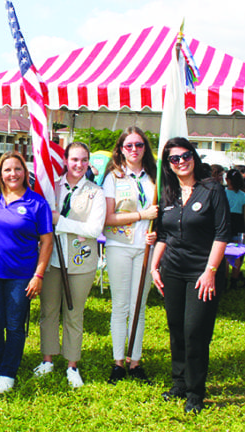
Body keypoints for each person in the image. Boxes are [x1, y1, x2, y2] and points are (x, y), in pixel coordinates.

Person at [151, 137, 230, 414]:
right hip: (172, 271)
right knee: (176, 329)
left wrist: (210, 272)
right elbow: (163, 235)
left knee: (195, 331)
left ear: (194, 157)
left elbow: (222, 234)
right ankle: (180, 383)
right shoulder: (169, 194)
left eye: (185, 155)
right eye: (174, 158)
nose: (181, 161)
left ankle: (196, 392)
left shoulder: (212, 190)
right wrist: (154, 266)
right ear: (169, 165)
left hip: (202, 272)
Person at [0, 151, 53, 394]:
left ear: (25, 173)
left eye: (17, 169)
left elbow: (47, 242)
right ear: (0, 174)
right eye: (7, 170)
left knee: (14, 325)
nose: (13, 174)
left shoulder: (37, 203)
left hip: (21, 275)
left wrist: (38, 275)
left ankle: (9, 371)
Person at [34, 142, 106, 388]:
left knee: (74, 314)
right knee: (49, 311)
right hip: (52, 260)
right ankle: (47, 359)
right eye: (74, 159)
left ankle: (72, 364)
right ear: (65, 160)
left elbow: (94, 229)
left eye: (84, 160)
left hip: (80, 262)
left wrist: (60, 221)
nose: (79, 164)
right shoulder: (50, 188)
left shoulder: (95, 192)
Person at [102, 127, 158, 384]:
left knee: (139, 307)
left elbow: (162, 213)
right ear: (121, 149)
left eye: (139, 145)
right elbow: (108, 218)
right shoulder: (114, 177)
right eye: (129, 145)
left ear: (145, 148)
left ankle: (135, 361)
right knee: (121, 305)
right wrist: (140, 216)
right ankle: (118, 361)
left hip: (146, 248)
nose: (134, 150)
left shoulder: (155, 177)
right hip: (119, 247)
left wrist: (156, 233)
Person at [224, 169, 245, 289]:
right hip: (239, 225)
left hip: (226, 224)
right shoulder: (244, 196)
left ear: (227, 180)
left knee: (225, 256)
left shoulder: (223, 193)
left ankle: (224, 281)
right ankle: (234, 280)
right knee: (237, 256)